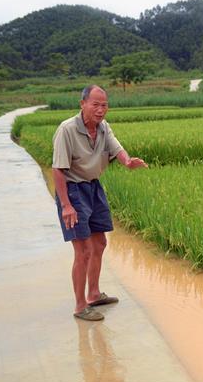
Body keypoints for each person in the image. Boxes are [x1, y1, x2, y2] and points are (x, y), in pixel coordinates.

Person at [52, 85, 148, 321]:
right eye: (95, 104)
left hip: (93, 187)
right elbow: (57, 170)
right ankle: (80, 306)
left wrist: (128, 162)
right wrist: (66, 205)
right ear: (82, 104)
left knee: (100, 243)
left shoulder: (104, 128)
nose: (100, 109)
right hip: (73, 190)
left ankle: (93, 294)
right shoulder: (67, 130)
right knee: (83, 250)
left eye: (104, 105)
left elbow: (117, 148)